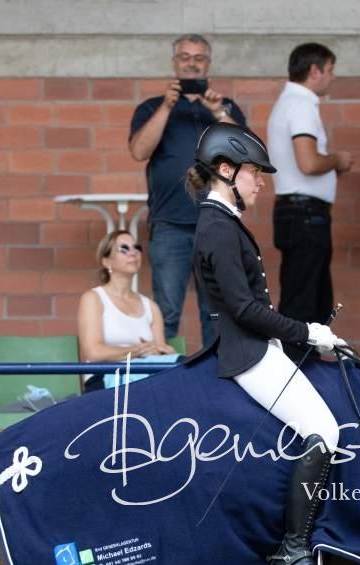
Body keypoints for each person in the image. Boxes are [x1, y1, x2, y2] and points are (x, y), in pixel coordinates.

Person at [187, 123, 346, 565]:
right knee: (324, 431)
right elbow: (244, 309)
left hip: (261, 347)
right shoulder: (217, 227)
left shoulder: (222, 222)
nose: (260, 182)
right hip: (249, 354)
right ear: (225, 170)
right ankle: (292, 551)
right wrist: (309, 332)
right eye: (254, 173)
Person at [129, 34, 248, 349]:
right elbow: (139, 151)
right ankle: (165, 377)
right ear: (174, 63)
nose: (191, 63)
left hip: (218, 224)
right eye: (185, 57)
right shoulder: (151, 107)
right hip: (170, 223)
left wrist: (219, 113)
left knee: (218, 313)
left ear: (208, 64)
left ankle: (216, 375)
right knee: (166, 313)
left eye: (199, 58)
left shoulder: (226, 107)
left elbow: (246, 153)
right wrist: (167, 106)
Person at [266, 42, 353, 324]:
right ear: (314, 71)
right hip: (305, 215)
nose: (333, 77)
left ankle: (302, 353)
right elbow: (309, 163)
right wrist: (338, 160)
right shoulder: (301, 105)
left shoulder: (290, 103)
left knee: (312, 302)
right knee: (304, 305)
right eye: (330, 70)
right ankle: (293, 353)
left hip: (299, 212)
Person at [77, 230, 174, 394]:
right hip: (104, 381)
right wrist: (135, 351)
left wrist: (165, 351)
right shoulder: (94, 298)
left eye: (137, 248)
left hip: (143, 379)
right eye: (124, 249)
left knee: (180, 366)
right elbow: (93, 352)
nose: (133, 253)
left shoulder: (151, 306)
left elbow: (159, 352)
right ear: (107, 261)